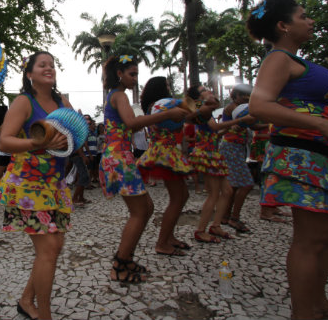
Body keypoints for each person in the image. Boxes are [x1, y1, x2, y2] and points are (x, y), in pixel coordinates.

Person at [248, 0, 328, 320]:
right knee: (310, 239)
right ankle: (304, 312)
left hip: (321, 157)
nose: (311, 21)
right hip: (303, 159)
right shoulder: (278, 59)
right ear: (283, 25)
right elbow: (259, 106)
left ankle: (318, 303)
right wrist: (323, 124)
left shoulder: (294, 61)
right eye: (303, 16)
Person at [0, 51, 73, 320]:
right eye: (42, 65)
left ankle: (27, 300)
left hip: (54, 185)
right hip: (27, 186)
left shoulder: (62, 101)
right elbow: (4, 141)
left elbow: (75, 136)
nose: (49, 68)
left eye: (52, 64)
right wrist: (38, 144)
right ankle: (45, 315)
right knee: (49, 249)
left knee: (52, 248)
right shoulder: (24, 102)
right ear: (30, 74)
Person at [99, 56, 188, 283]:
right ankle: (119, 265)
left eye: (137, 74)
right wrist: (167, 114)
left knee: (147, 207)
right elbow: (131, 123)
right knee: (140, 212)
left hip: (121, 157)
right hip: (118, 157)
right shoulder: (119, 95)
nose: (136, 79)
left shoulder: (118, 95)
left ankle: (126, 259)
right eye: (132, 74)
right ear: (119, 73)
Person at [136, 76, 193, 256]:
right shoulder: (163, 105)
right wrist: (197, 99)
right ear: (161, 88)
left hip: (166, 152)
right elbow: (191, 109)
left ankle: (169, 237)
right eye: (167, 85)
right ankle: (162, 242)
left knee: (182, 196)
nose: (169, 87)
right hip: (165, 153)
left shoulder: (155, 106)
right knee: (178, 198)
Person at [189, 86, 250, 243]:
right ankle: (200, 230)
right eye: (203, 89)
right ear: (198, 97)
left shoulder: (204, 108)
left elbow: (213, 132)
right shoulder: (201, 108)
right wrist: (240, 120)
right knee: (214, 194)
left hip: (212, 153)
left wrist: (230, 127)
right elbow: (215, 127)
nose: (209, 90)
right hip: (206, 154)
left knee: (227, 191)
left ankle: (215, 225)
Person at [219, 84, 256, 233]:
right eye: (244, 96)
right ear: (235, 96)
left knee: (234, 185)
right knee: (247, 184)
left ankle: (226, 216)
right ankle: (234, 217)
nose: (246, 99)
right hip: (231, 147)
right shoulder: (234, 108)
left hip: (236, 147)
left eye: (248, 96)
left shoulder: (241, 108)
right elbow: (252, 122)